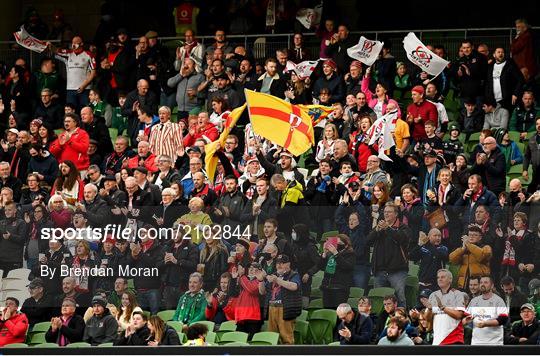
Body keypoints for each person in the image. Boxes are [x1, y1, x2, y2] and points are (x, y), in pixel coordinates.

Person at [367, 203, 410, 307]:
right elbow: (367, 241)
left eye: (389, 212)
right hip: (380, 269)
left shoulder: (403, 227)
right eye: (385, 212)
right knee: (378, 299)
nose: (386, 214)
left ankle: (402, 319)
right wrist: (376, 230)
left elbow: (401, 238)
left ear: (396, 214)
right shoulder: (380, 226)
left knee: (400, 297)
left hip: (397, 270)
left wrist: (388, 229)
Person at [260, 254, 302, 345]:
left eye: (282, 263)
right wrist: (261, 280)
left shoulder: (294, 274)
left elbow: (294, 286)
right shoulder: (274, 275)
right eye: (278, 263)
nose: (279, 265)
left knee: (286, 338)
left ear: (288, 264)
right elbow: (262, 292)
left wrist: (277, 280)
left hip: (285, 309)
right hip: (271, 308)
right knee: (271, 337)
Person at [424, 269, 466, 345]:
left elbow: (459, 315)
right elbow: (428, 319)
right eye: (438, 277)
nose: (440, 279)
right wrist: (430, 309)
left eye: (443, 277)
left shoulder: (458, 294)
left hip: (453, 339)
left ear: (450, 280)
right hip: (437, 341)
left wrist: (443, 308)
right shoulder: (433, 295)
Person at [465, 275, 509, 345]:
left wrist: (485, 324)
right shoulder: (474, 301)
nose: (482, 284)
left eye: (485, 282)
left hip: (494, 343)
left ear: (492, 286)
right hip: (476, 343)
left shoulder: (498, 300)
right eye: (481, 282)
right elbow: (466, 317)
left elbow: (503, 319)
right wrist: (465, 321)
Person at [319, 234, 356, 309]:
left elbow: (346, 266)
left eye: (339, 243)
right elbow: (322, 267)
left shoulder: (350, 254)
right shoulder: (330, 254)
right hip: (327, 287)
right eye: (336, 243)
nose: (337, 245)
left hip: (340, 288)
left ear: (346, 245)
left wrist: (336, 254)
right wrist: (324, 254)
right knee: (327, 311)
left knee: (338, 312)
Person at [523, 117, 540, 193]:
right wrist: (525, 169)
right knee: (531, 192)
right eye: (537, 124)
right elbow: (527, 156)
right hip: (536, 172)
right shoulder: (532, 139)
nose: (539, 126)